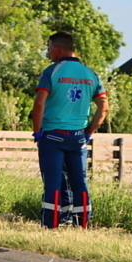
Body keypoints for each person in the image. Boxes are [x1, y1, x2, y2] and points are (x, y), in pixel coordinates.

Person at [31, 32, 109, 228]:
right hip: (78, 137)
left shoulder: (52, 72)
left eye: (49, 48)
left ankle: (51, 223)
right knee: (79, 181)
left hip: (53, 134)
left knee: (53, 181)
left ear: (57, 49)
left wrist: (37, 131)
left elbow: (39, 104)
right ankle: (82, 223)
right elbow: (104, 107)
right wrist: (90, 132)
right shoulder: (91, 74)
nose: (48, 52)